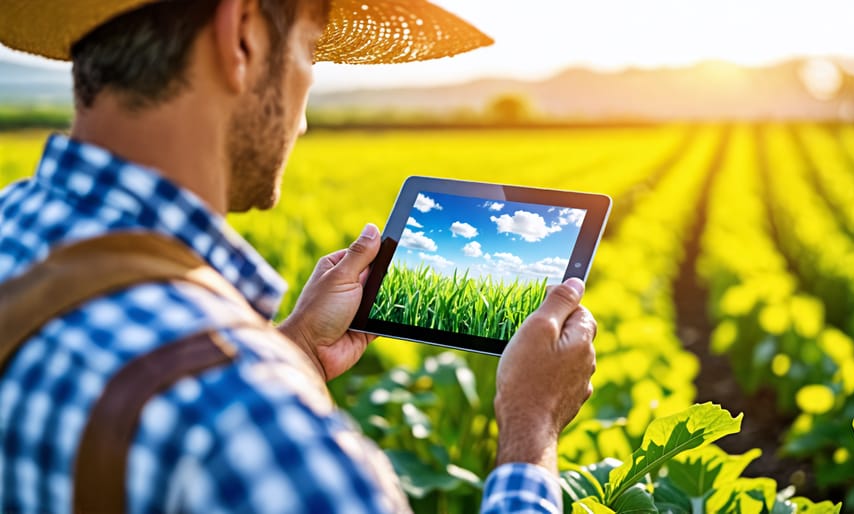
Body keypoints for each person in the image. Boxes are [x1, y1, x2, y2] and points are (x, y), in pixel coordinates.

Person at [0, 0, 598, 512]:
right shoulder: (254, 423)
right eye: (311, 51)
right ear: (243, 36)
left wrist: (299, 349)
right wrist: (531, 433)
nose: (305, 119)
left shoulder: (15, 227)